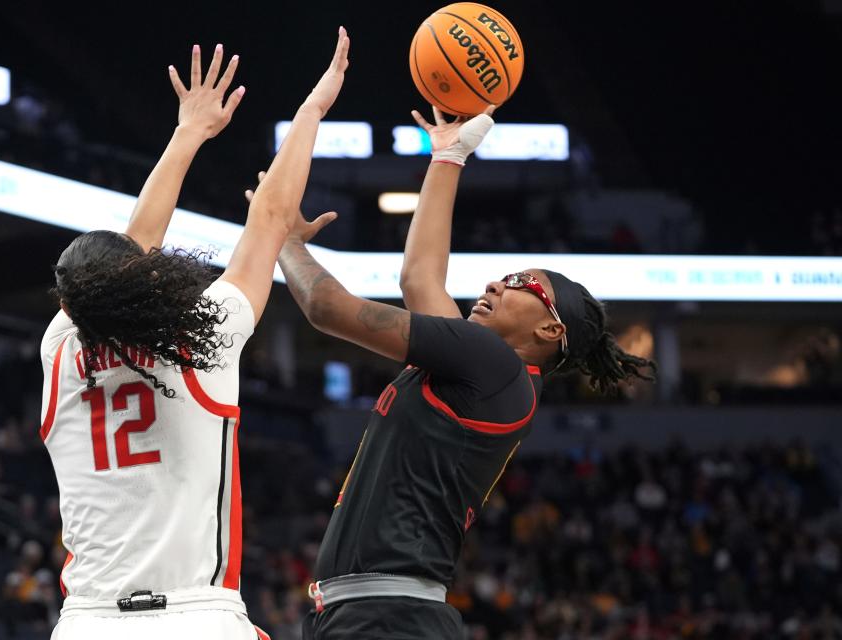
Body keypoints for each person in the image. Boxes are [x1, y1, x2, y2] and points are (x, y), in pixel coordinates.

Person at [263, 107, 655, 640]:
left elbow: (327, 309)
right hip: (376, 614)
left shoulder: (492, 365)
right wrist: (448, 156)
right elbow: (420, 279)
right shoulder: (487, 376)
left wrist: (281, 239)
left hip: (390, 619)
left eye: (521, 283)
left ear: (549, 331)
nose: (496, 284)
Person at [40, 29, 350, 640]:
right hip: (194, 617)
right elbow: (267, 219)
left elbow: (135, 252)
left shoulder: (60, 346)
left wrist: (189, 134)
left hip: (86, 624)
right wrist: (310, 112)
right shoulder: (201, 342)